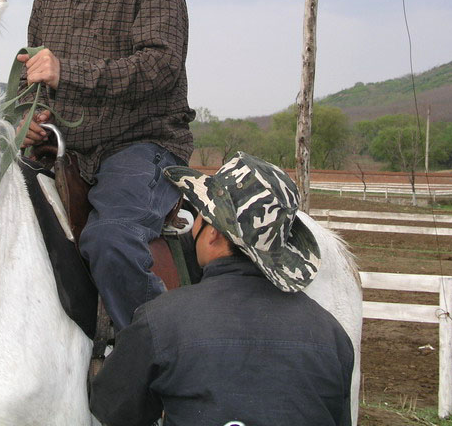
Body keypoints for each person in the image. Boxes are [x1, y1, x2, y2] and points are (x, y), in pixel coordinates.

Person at [18, 0, 195, 331]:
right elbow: (36, 77)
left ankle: (152, 362)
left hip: (141, 145)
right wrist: (30, 118)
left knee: (110, 241)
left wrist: (65, 70)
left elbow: (161, 67)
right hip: (63, 147)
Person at [89, 152, 355, 426]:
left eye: (200, 216)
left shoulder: (159, 321)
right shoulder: (333, 335)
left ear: (214, 232)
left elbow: (113, 409)